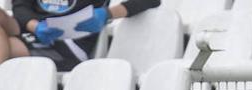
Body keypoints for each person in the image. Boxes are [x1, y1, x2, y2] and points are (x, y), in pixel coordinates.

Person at [12, 0, 161, 72]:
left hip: (70, 44)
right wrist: (35, 26)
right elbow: (20, 7)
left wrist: (107, 13)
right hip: (34, 33)